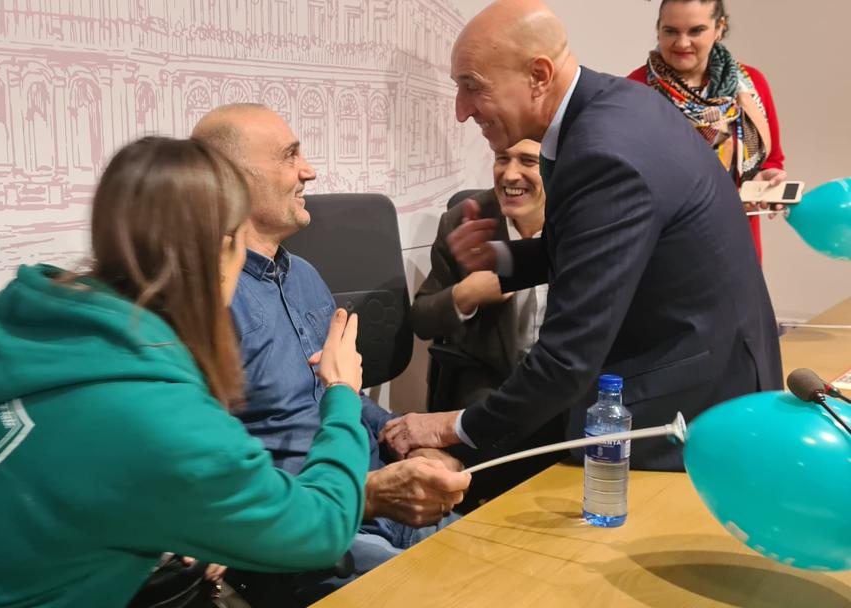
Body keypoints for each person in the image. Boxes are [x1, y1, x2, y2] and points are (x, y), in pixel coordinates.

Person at [0, 137, 372, 607]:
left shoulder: (32, 324)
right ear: (223, 250)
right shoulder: (158, 416)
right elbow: (320, 531)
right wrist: (342, 392)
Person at [379, 0, 782, 472]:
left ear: (539, 74)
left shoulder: (603, 153)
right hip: (702, 366)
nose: (461, 111)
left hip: (683, 401)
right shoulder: (613, 105)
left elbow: (566, 361)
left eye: (473, 88)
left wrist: (453, 428)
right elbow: (583, 248)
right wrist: (499, 259)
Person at [192, 105, 471, 604]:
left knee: (501, 568)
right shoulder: (204, 302)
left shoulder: (304, 276)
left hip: (378, 496)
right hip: (310, 527)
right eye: (289, 156)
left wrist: (408, 439)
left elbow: (343, 396)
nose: (309, 171)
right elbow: (208, 472)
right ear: (230, 180)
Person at [409, 139, 563, 508]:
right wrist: (466, 295)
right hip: (490, 385)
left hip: (564, 387)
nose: (510, 174)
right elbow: (422, 317)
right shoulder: (466, 219)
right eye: (501, 159)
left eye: (527, 161)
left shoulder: (584, 221)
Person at [628, 0, 786, 260]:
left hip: (737, 248)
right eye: (671, 31)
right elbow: (625, 181)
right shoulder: (633, 91)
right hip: (664, 253)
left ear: (719, 28)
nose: (682, 43)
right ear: (658, 29)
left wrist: (767, 180)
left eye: (695, 30)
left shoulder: (752, 85)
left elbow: (772, 159)